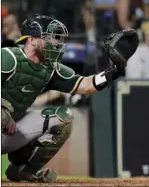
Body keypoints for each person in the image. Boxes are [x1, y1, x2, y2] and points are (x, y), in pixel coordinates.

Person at [1, 15, 128, 183]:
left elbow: (85, 84)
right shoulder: (8, 57)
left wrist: (114, 72)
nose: (56, 43)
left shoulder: (49, 69)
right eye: (51, 37)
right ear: (32, 40)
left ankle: (24, 171)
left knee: (63, 117)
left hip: (8, 134)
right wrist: (4, 112)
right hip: (4, 122)